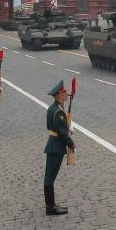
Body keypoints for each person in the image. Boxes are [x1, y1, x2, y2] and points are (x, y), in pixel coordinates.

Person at [43, 80, 75, 216]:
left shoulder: (54, 108)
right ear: (59, 95)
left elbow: (59, 127)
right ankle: (50, 207)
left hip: (53, 144)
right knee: (50, 178)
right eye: (64, 92)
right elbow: (61, 133)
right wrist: (71, 143)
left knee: (49, 176)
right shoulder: (59, 112)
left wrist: (68, 125)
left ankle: (51, 205)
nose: (66, 93)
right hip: (56, 146)